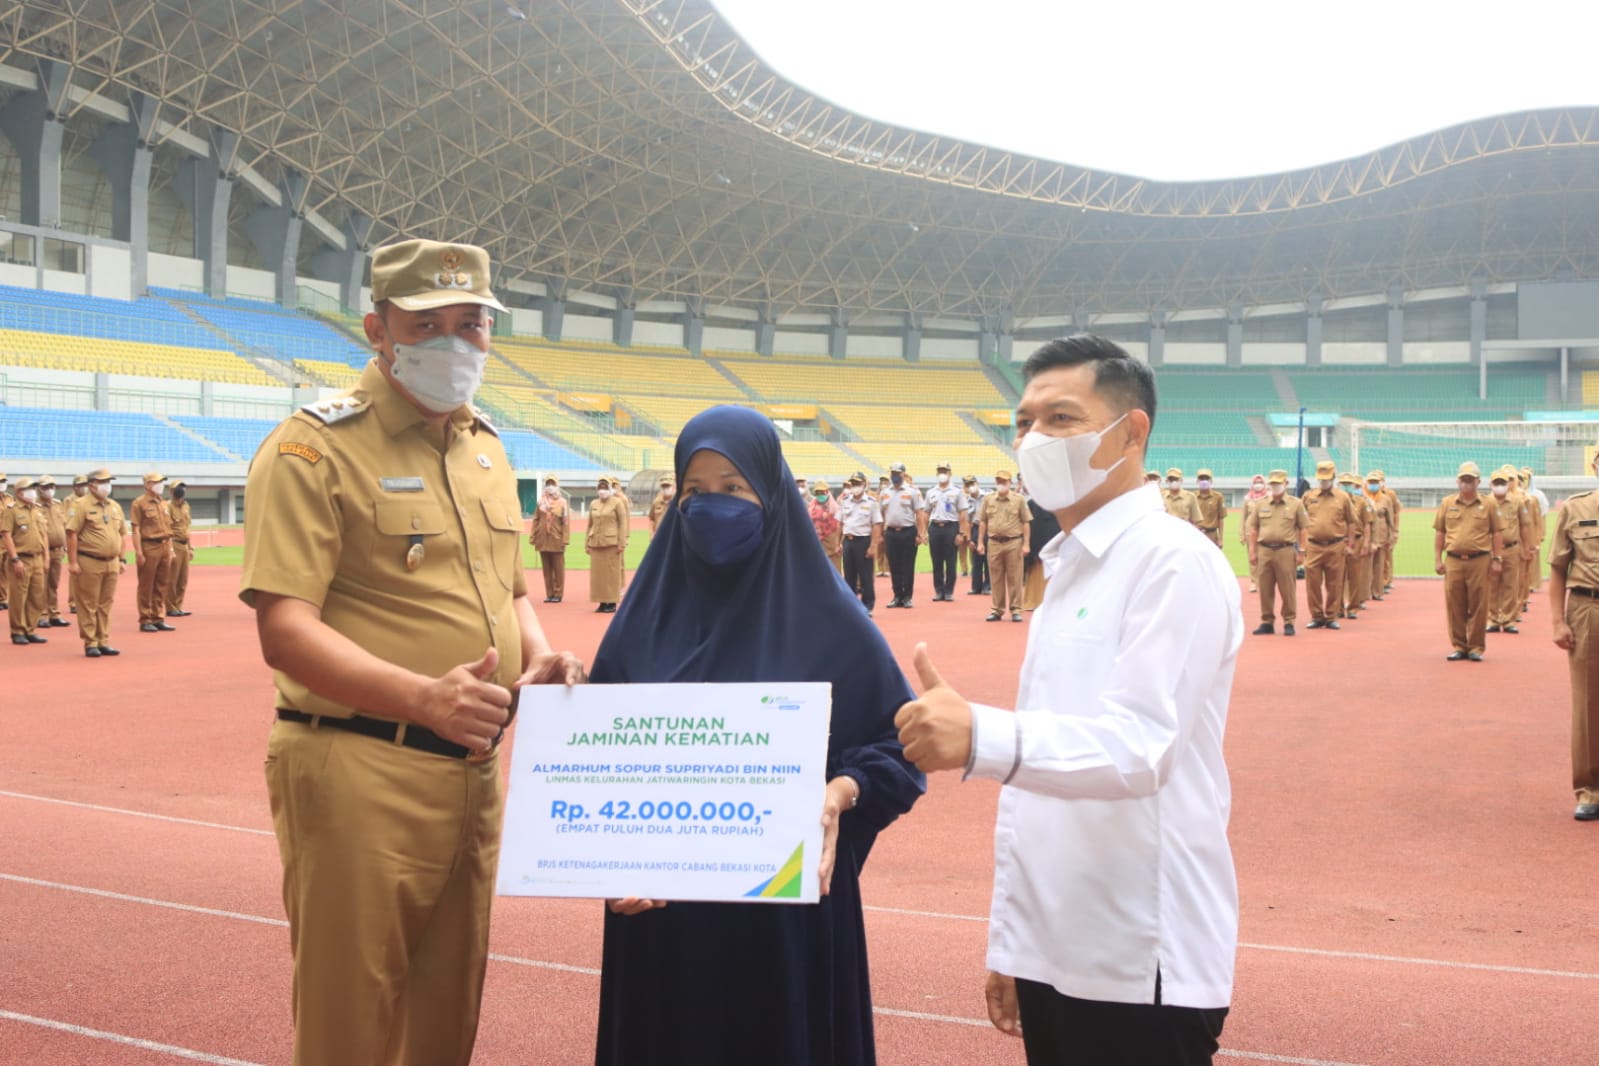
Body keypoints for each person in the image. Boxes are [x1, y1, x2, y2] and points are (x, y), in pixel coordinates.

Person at [239, 238, 584, 1066]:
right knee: (350, 1018)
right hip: (359, 765)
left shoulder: (487, 449)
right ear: (377, 329)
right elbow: (285, 628)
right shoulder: (312, 448)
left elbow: (507, 592)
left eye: (471, 324)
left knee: (446, 1011)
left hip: (470, 770)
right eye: (427, 323)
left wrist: (537, 655)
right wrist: (420, 697)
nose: (454, 343)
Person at [894, 334, 1240, 1066]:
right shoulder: (1071, 567)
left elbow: (1141, 747)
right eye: (1022, 423)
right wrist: (1020, 945)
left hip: (1138, 955)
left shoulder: (1170, 560)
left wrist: (981, 736)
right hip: (1062, 948)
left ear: (1131, 432)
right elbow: (1043, 794)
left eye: (1059, 419)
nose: (1032, 440)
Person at [589, 404, 925, 1066]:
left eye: (733, 489)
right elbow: (599, 758)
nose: (712, 507)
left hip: (785, 924)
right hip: (662, 920)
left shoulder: (830, 620)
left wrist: (844, 789)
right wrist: (607, 857)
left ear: (769, 496)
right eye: (694, 492)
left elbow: (895, 750)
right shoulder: (641, 621)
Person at [1549, 449, 1599, 821]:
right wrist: (1557, 621)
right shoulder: (1575, 509)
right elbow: (1558, 569)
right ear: (1595, 466)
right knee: (1587, 705)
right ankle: (1590, 789)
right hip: (1587, 610)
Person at [1433, 461, 1504, 662]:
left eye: (1471, 480)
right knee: (1455, 605)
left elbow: (1497, 533)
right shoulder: (1448, 503)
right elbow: (1440, 532)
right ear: (1458, 481)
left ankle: (1476, 647)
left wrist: (1497, 559)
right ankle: (1459, 645)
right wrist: (1438, 559)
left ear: (1478, 482)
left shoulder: (1488, 504)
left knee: (1479, 604)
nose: (1467, 484)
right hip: (1454, 560)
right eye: (1464, 480)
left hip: (1479, 560)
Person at [65, 468, 126, 657]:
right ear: (92, 485)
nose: (107, 485)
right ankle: (90, 642)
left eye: (109, 481)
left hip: (111, 562)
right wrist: (73, 562)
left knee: (105, 604)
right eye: (103, 482)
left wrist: (122, 558)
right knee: (88, 603)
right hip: (89, 560)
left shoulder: (114, 506)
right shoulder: (80, 505)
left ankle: (103, 640)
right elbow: (71, 533)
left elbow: (122, 533)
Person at [1246, 469, 1307, 636]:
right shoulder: (1260, 504)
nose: (1275, 487)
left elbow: (1303, 529)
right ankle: (1267, 621)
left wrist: (1302, 551)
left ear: (1286, 484)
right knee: (1265, 588)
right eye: (1272, 484)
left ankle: (1289, 621)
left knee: (1288, 589)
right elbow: (1253, 528)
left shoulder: (1296, 504)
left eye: (1278, 484)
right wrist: (1252, 551)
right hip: (1264, 549)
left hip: (1285, 550)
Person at [1299, 461, 1354, 630]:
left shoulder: (1343, 497)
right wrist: (1301, 546)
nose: (1323, 483)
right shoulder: (1308, 496)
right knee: (1313, 583)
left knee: (1334, 583)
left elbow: (1351, 522)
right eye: (1321, 479)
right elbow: (1300, 522)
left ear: (1333, 478)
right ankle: (1316, 616)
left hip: (1335, 545)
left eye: (1327, 479)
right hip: (1313, 545)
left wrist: (1349, 543)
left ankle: (1331, 616)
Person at [1486, 467, 1535, 635]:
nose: (1500, 486)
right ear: (1490, 484)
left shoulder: (1517, 502)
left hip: (1512, 548)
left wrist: (1526, 547)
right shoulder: (1485, 503)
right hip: (1491, 551)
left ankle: (1508, 620)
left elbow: (1525, 526)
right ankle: (1492, 619)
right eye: (1496, 483)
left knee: (1511, 585)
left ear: (1507, 485)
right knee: (1492, 586)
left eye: (1502, 483)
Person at [978, 470, 1030, 622]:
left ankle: (1016, 610)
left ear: (1010, 483)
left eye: (1004, 481)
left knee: (1015, 577)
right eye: (999, 481)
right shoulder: (988, 499)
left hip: (1013, 542)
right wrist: (980, 542)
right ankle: (997, 610)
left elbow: (1026, 522)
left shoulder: (1019, 500)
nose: (1001, 484)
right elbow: (983, 521)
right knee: (996, 578)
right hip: (994, 542)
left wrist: (1026, 544)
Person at [2, 477, 50, 645]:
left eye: (34, 488)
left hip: (37, 558)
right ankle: (17, 630)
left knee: (37, 596)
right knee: (19, 597)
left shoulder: (36, 510)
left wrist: (46, 557)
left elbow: (44, 534)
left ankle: (30, 629)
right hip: (21, 559)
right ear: (19, 492)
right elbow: (6, 534)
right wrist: (14, 559)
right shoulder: (11, 510)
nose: (33, 492)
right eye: (29, 489)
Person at [130, 471, 176, 633]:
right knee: (146, 585)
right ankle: (145, 618)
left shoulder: (163, 503)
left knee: (162, 584)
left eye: (162, 482)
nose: (160, 485)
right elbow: (135, 529)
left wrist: (170, 549)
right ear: (147, 485)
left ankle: (158, 616)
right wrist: (139, 552)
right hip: (149, 546)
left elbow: (168, 528)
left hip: (164, 545)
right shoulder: (139, 504)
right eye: (157, 482)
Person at [880, 462, 927, 608]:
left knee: (907, 565)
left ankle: (907, 597)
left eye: (897, 473)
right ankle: (897, 596)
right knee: (893, 566)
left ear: (903, 474)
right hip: (891, 532)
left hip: (908, 531)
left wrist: (921, 533)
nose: (895, 476)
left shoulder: (912, 491)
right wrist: (882, 532)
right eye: (892, 473)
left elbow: (919, 513)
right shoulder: (885, 492)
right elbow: (881, 513)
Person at [838, 472, 882, 616]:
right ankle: (851, 606)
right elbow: (840, 523)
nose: (855, 487)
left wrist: (873, 545)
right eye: (853, 484)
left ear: (864, 485)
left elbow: (876, 525)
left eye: (858, 484)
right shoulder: (845, 501)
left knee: (865, 576)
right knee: (849, 575)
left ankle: (867, 605)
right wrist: (838, 542)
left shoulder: (871, 502)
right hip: (848, 542)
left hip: (863, 541)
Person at [588, 475, 630, 613]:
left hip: (612, 543)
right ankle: (601, 601)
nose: (602, 490)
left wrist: (622, 542)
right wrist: (587, 543)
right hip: (596, 543)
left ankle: (611, 602)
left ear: (610, 489)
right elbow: (589, 525)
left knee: (611, 574)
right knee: (598, 575)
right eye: (600, 488)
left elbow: (623, 523)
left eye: (605, 488)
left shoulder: (617, 502)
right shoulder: (594, 503)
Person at [923, 461, 963, 602]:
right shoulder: (931, 492)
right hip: (935, 528)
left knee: (951, 562)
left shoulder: (957, 492)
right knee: (936, 561)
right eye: (940, 471)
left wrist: (961, 533)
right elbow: (926, 512)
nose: (942, 474)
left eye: (945, 471)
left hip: (951, 527)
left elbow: (962, 513)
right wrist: (923, 532)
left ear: (950, 474)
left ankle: (949, 591)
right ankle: (939, 591)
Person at [1338, 472, 1373, 621]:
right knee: (1337, 577)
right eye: (1343, 484)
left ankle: (1353, 607)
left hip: (1357, 541)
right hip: (1339, 541)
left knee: (1354, 576)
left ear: (1354, 486)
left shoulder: (1362, 502)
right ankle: (1338, 608)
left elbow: (1367, 524)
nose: (1346, 487)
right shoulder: (1335, 502)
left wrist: (1366, 543)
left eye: (1348, 484)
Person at [36, 476, 71, 628]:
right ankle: (40, 614)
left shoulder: (58, 505)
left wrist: (65, 545)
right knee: (40, 584)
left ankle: (54, 612)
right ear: (39, 488)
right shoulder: (35, 507)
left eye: (52, 486)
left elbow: (64, 525)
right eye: (46, 487)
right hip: (43, 550)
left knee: (53, 583)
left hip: (57, 550)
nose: (49, 490)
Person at [531, 475, 571, 603]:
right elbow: (536, 519)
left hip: (556, 537)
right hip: (543, 538)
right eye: (548, 484)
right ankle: (550, 593)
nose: (550, 486)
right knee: (546, 569)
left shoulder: (562, 502)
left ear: (557, 485)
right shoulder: (541, 502)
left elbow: (565, 522)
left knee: (558, 568)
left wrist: (565, 539)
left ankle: (558, 593)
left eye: (552, 484)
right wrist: (533, 535)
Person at [1362, 471, 1395, 604]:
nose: (1373, 485)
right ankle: (1364, 592)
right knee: (1365, 566)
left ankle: (1377, 591)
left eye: (1375, 483)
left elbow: (1390, 519)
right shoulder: (1364, 498)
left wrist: (1391, 535)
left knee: (1378, 564)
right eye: (1371, 482)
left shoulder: (1386, 499)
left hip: (1381, 533)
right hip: (1367, 534)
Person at [166, 479, 194, 617]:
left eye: (183, 487)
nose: (181, 490)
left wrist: (190, 547)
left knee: (183, 579)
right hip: (174, 543)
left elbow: (186, 527)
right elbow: (167, 529)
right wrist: (170, 549)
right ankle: (170, 607)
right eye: (178, 487)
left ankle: (178, 605)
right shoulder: (167, 507)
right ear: (171, 491)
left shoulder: (186, 506)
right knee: (172, 578)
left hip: (184, 544)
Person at [1240, 474, 1268, 592]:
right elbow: (1243, 517)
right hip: (1250, 531)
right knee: (1252, 556)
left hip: (1265, 531)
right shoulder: (1247, 498)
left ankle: (1263, 581)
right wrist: (1242, 533)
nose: (1258, 484)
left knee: (1264, 558)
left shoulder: (1268, 497)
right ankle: (1253, 582)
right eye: (1256, 482)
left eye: (1260, 482)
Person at [809, 477, 844, 573]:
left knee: (834, 568)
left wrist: (839, 542)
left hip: (832, 540)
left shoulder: (835, 507)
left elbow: (839, 525)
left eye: (822, 492)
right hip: (817, 540)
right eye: (818, 492)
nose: (820, 494)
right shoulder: (811, 506)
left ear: (827, 491)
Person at [1192, 468, 1226, 547]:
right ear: (1197, 481)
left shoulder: (1218, 497)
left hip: (1212, 535)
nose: (1204, 481)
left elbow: (1221, 518)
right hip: (1197, 534)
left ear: (1211, 481)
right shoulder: (1192, 497)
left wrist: (1220, 538)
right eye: (1201, 478)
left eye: (1206, 478)